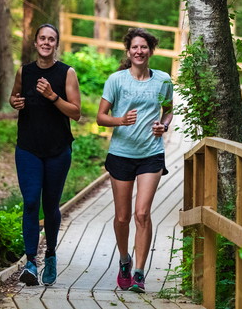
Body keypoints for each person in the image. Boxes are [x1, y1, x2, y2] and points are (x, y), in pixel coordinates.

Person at [96, 27, 173, 293]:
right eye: (134, 47)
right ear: (128, 52)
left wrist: (163, 125)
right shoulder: (116, 80)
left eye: (144, 47)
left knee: (142, 213)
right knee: (122, 217)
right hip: (121, 154)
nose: (139, 51)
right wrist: (120, 120)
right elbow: (100, 117)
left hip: (151, 153)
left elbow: (168, 110)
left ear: (151, 50)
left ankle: (139, 273)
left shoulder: (163, 80)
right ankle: (124, 260)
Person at [10, 24, 82, 286]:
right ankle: (30, 261)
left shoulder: (66, 73)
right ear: (35, 42)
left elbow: (76, 112)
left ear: (56, 44)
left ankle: (50, 254)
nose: (46, 43)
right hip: (28, 147)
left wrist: (52, 96)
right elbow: (14, 96)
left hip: (57, 150)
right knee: (31, 202)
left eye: (51, 39)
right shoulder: (24, 71)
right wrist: (14, 102)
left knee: (50, 206)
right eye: (42, 38)